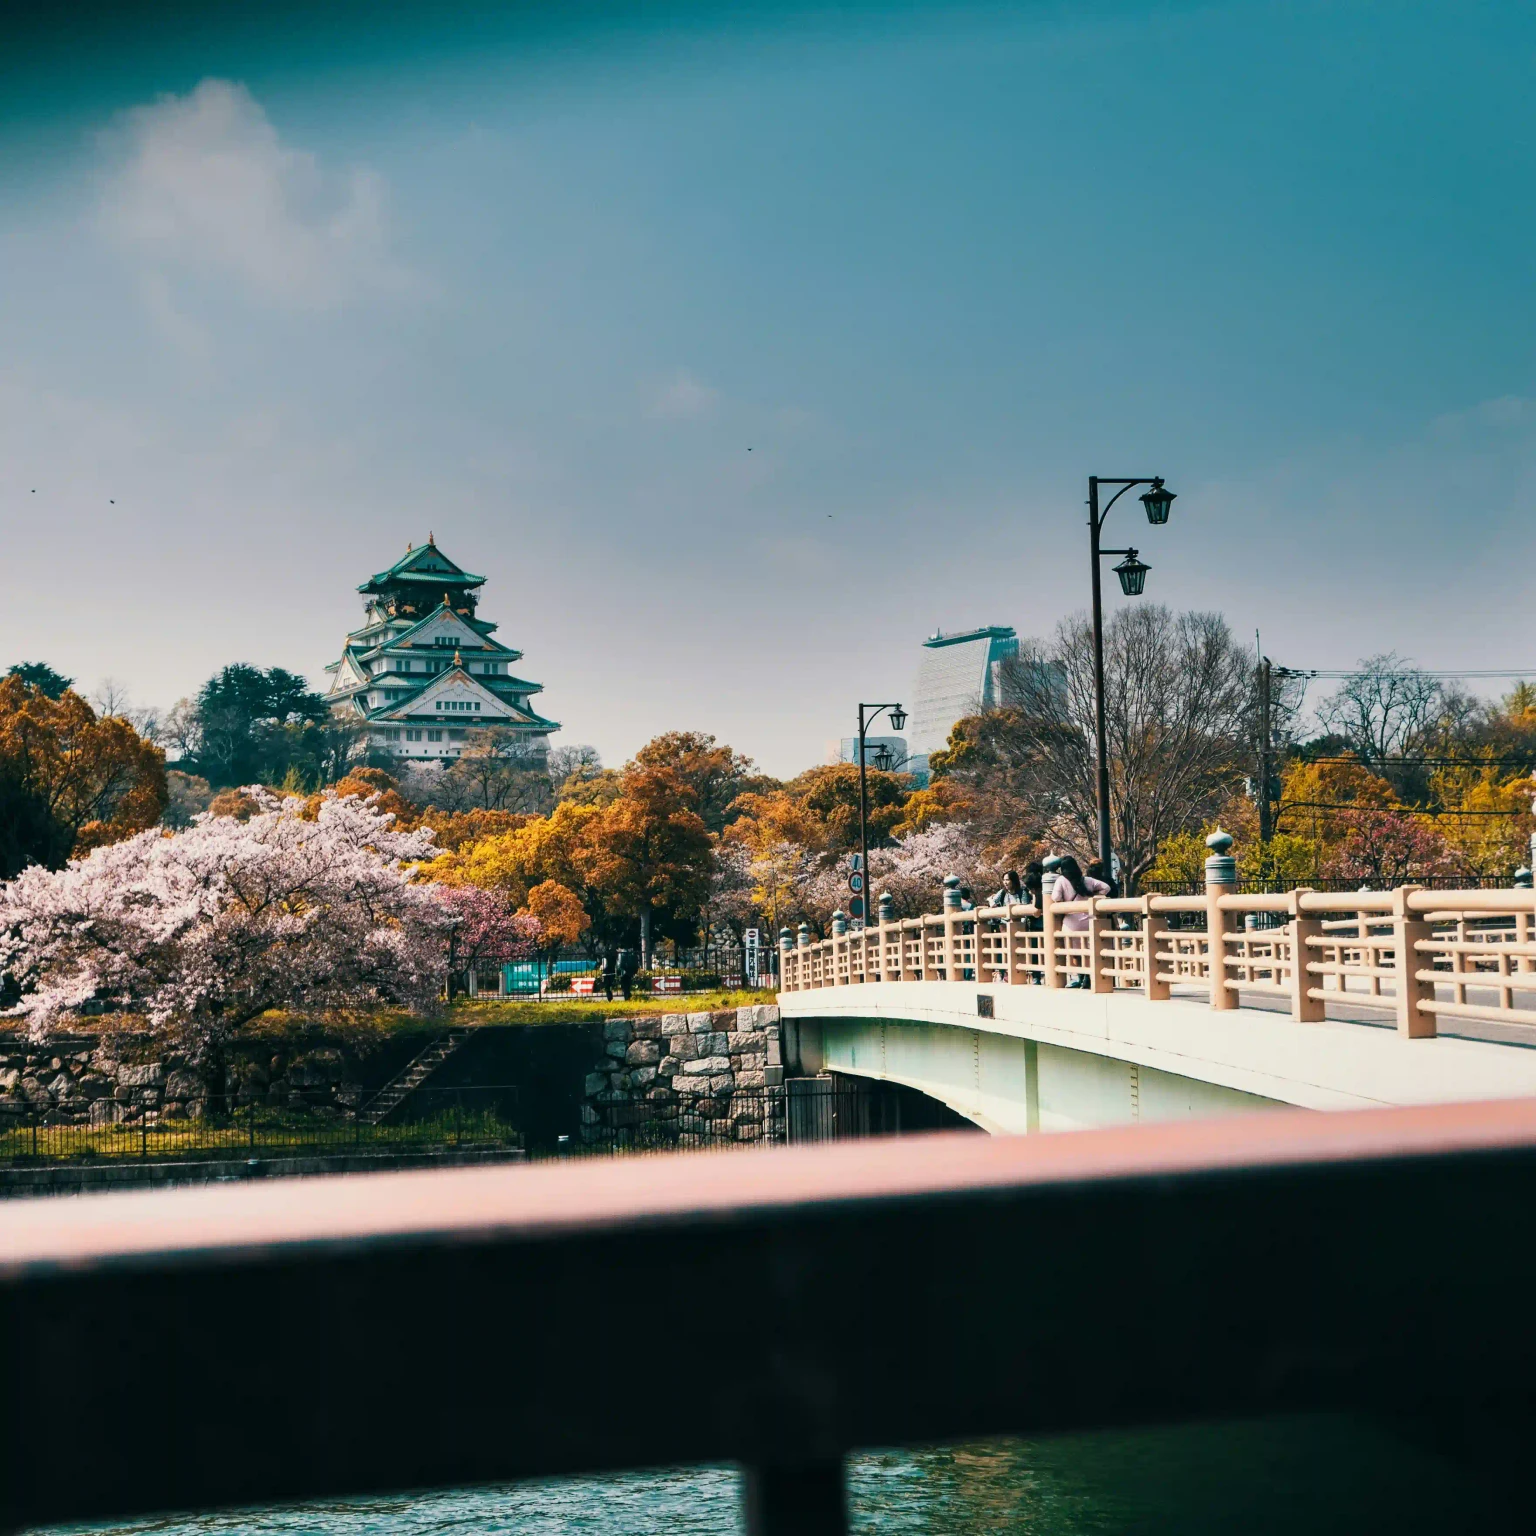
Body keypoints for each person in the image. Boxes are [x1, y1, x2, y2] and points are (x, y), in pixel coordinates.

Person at [1050, 855, 1110, 988]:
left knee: (1076, 953)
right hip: (1089, 921)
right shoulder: (1087, 880)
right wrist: (1093, 896)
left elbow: (1055, 897)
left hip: (1072, 923)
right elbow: (1106, 888)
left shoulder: (1061, 880)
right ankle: (1089, 977)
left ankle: (1081, 976)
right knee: (1089, 951)